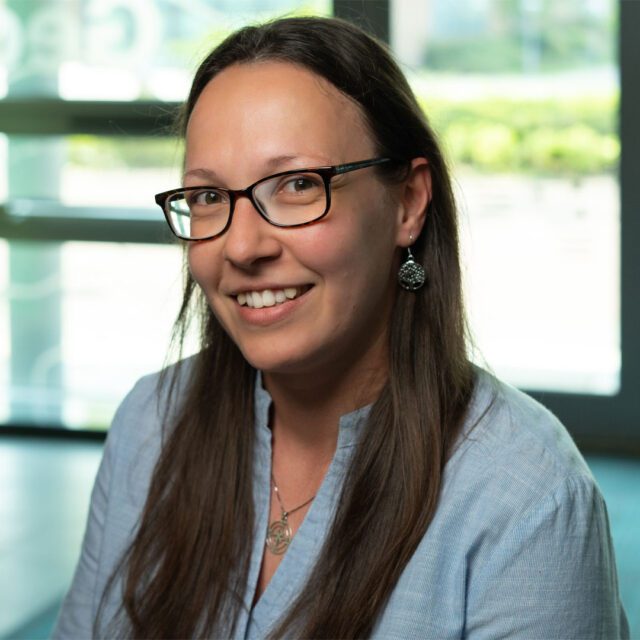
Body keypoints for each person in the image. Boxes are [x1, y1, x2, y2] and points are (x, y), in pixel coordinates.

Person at [53, 15, 629, 640]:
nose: (242, 246)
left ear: (407, 202)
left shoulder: (525, 499)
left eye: (298, 185)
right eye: (209, 197)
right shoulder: (150, 425)